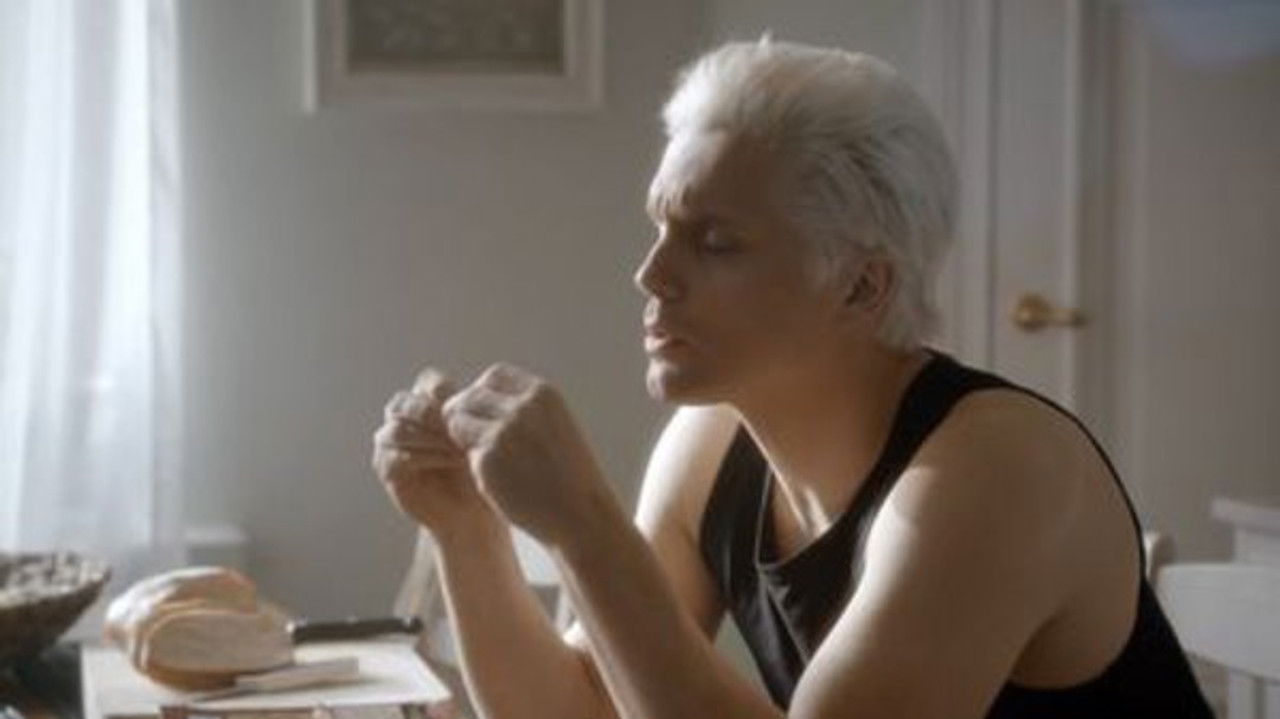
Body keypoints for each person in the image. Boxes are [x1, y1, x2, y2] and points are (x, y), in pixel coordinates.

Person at [370, 39, 1212, 719]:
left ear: (860, 286)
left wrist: (586, 524)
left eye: (715, 242)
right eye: (662, 227)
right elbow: (583, 709)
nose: (651, 274)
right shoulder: (714, 443)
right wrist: (464, 529)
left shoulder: (997, 468)